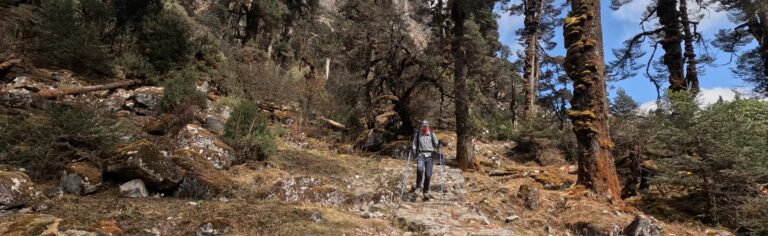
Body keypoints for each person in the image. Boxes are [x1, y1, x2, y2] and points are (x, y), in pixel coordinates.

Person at [410, 120, 440, 201]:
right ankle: (418, 187)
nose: (425, 127)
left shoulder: (431, 133)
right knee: (419, 170)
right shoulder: (418, 134)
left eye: (426, 126)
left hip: (429, 156)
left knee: (428, 174)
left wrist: (439, 145)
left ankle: (426, 191)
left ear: (428, 126)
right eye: (423, 126)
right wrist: (413, 148)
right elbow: (414, 144)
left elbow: (436, 143)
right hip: (421, 155)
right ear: (421, 126)